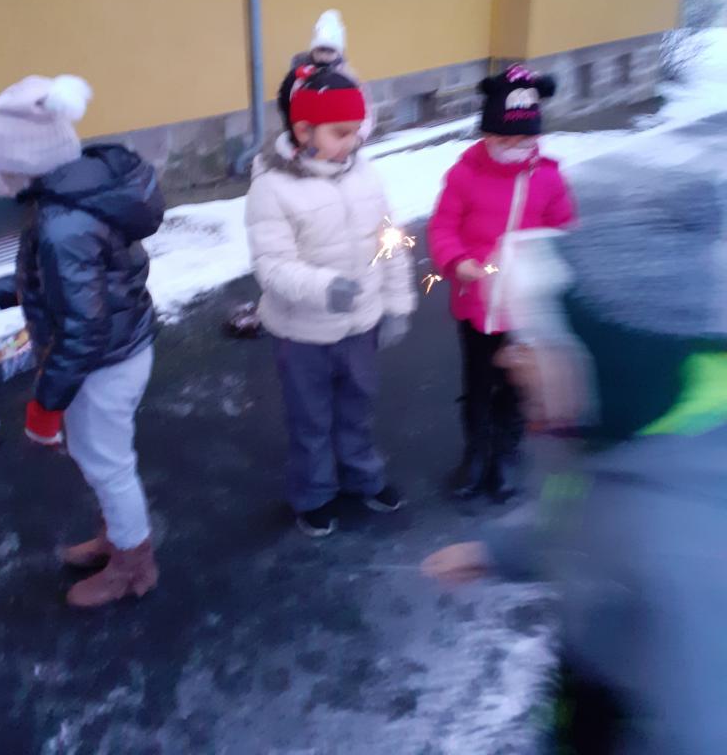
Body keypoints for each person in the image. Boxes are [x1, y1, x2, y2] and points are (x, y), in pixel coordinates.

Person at [423, 173, 727, 753]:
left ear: (600, 368)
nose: (508, 360)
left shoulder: (684, 548)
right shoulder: (614, 447)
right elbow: (584, 528)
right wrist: (496, 553)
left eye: (530, 345)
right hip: (595, 682)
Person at [0, 75, 165, 608]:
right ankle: (115, 537)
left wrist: (46, 404)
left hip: (102, 361)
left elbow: (81, 326)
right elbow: (66, 284)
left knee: (108, 465)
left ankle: (133, 566)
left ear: (22, 163)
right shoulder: (75, 198)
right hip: (113, 348)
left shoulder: (62, 223)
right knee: (101, 459)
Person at [246, 66, 416, 537]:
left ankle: (363, 477)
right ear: (304, 131)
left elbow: (390, 241)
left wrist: (398, 303)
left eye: (357, 131)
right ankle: (314, 494)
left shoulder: (365, 175)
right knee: (311, 419)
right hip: (303, 334)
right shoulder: (272, 188)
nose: (352, 142)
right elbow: (272, 265)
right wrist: (325, 288)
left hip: (362, 325)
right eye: (340, 133)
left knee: (357, 408)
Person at [428, 65, 574, 502]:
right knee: (477, 384)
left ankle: (505, 454)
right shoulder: (465, 174)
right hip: (475, 303)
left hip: (524, 309)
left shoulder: (547, 177)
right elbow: (443, 226)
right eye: (504, 139)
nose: (514, 148)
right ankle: (475, 453)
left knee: (513, 387)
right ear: (488, 134)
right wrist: (457, 261)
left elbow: (563, 232)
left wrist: (549, 264)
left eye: (523, 140)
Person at [279, 9, 375, 145]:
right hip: (311, 142)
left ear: (338, 53)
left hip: (341, 142)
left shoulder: (349, 79)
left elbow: (365, 111)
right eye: (321, 50)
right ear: (313, 51)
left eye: (330, 51)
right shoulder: (302, 79)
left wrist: (358, 137)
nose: (324, 56)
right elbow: (293, 110)